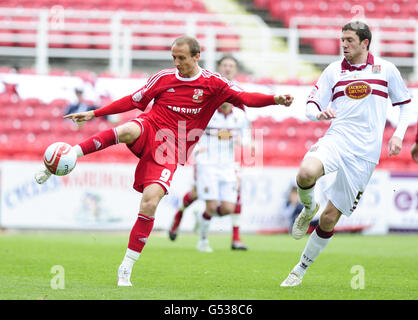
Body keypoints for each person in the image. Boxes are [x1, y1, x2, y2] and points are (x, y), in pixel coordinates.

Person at [34, 35, 294, 287]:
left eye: (181, 58)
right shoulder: (163, 78)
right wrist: (95, 113)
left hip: (170, 149)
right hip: (150, 127)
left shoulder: (215, 84)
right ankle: (69, 155)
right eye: (173, 57)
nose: (177, 62)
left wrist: (275, 100)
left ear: (197, 56)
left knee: (150, 202)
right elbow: (133, 101)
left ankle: (126, 265)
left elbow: (246, 98)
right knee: (126, 130)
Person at [280, 21, 413, 287]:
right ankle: (308, 207)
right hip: (337, 139)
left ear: (365, 43)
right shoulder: (333, 70)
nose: (344, 44)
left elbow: (406, 107)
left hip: (364, 155)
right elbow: (310, 104)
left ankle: (300, 269)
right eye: (342, 39)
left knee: (329, 218)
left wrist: (398, 135)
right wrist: (318, 113)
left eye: (349, 40)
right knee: (305, 173)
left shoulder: (386, 70)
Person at [168, 55, 248, 251]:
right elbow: (190, 122)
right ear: (219, 68)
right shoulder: (206, 93)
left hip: (227, 162)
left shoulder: (240, 106)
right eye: (225, 65)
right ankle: (202, 239)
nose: (228, 68)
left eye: (232, 65)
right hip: (207, 160)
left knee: (226, 207)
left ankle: (195, 217)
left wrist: (244, 142)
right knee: (209, 204)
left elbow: (246, 134)